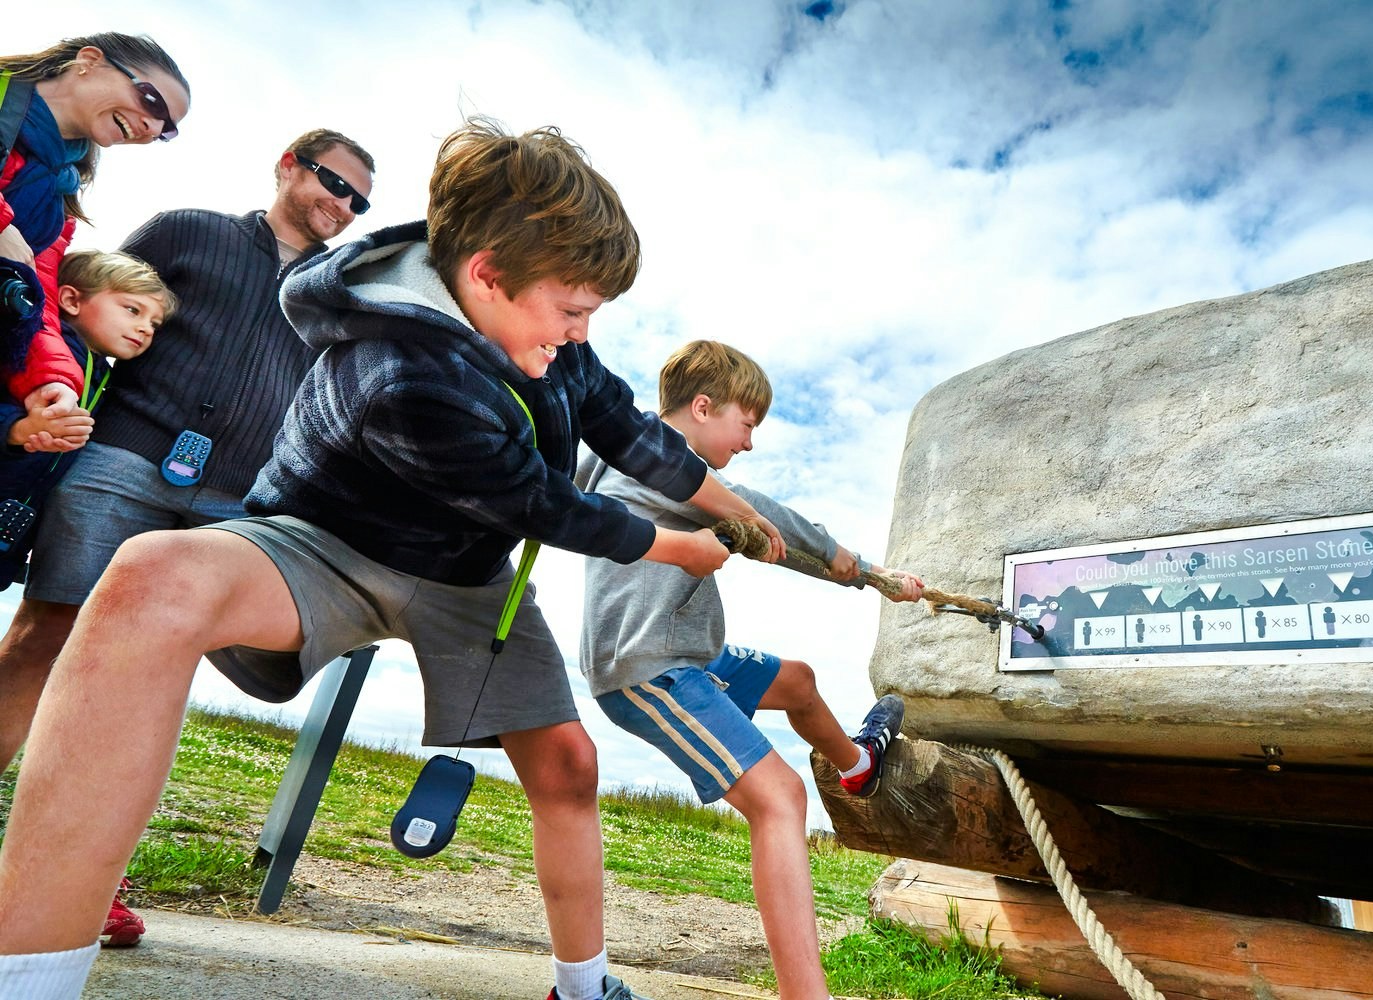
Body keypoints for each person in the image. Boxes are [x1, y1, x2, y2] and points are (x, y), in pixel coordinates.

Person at [0, 118, 785, 1000]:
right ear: (487, 273)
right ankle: (30, 977)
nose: (578, 332)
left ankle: (585, 984)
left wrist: (738, 511)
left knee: (569, 763)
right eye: (572, 311)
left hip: (467, 574)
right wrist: (679, 545)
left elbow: (625, 427)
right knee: (149, 579)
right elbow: (541, 502)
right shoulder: (399, 369)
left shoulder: (548, 332)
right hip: (327, 542)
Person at [0, 126, 375, 947]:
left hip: (239, 501)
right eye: (332, 181)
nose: (342, 205)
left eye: (358, 200)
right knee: (46, 635)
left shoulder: (340, 291)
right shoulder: (188, 230)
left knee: (139, 681)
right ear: (287, 164)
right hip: (123, 459)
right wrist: (49, 393)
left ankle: (84, 879)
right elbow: (82, 297)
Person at [576, 339, 924, 1000]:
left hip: (691, 656)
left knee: (797, 679)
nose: (750, 440)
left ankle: (857, 767)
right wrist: (859, 568)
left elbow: (754, 528)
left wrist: (858, 574)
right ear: (702, 407)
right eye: (748, 423)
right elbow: (760, 513)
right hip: (650, 671)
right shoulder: (657, 461)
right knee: (780, 797)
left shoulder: (641, 460)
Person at [0, 33, 189, 443]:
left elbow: (37, 300)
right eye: (152, 102)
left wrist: (53, 381)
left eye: (165, 129)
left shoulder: (61, 196)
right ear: (89, 61)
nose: (151, 127)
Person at [0, 249, 177, 591]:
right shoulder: (32, 345)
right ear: (71, 300)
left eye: (154, 324)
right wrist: (18, 430)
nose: (145, 328)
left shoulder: (103, 376)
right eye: (132, 310)